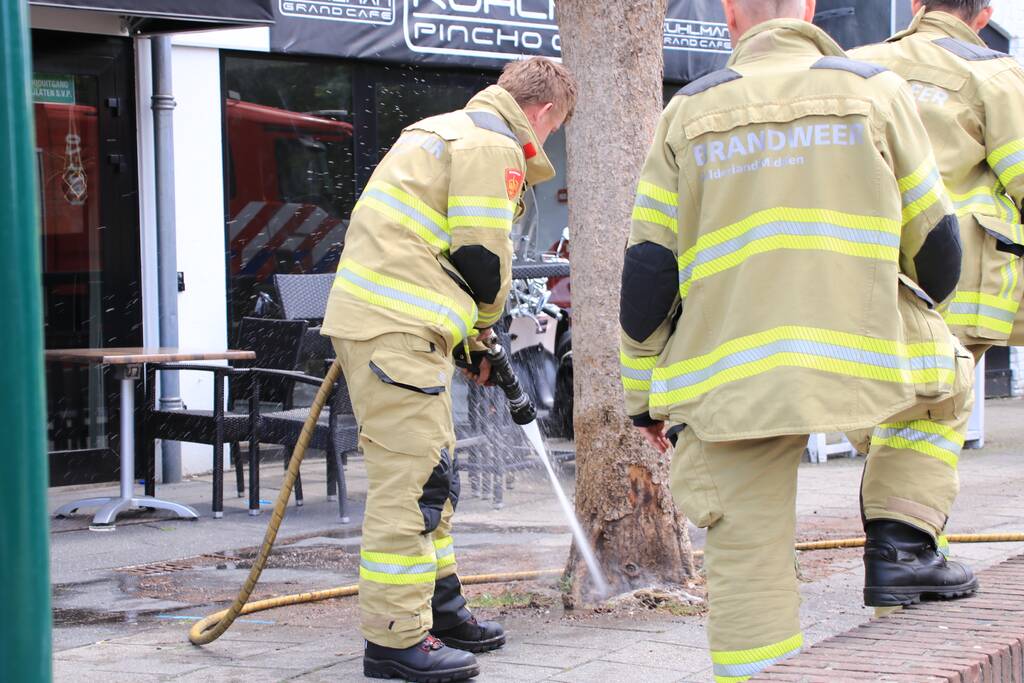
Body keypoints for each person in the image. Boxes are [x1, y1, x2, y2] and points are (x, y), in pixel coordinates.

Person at [619, 0, 976, 679]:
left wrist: (643, 399)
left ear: (730, 13)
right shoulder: (875, 91)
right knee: (945, 387)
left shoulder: (686, 112)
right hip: (864, 355)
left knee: (747, 563)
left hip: (731, 375)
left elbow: (648, 276)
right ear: (808, 8)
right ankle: (900, 542)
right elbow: (938, 249)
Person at [321, 57, 576, 682]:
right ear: (543, 112)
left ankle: (440, 612)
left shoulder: (443, 130)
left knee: (433, 477)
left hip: (394, 327)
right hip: (397, 331)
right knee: (410, 488)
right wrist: (485, 329)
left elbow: (431, 249)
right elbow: (483, 258)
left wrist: (465, 342)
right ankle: (395, 641)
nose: (547, 141)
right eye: (555, 128)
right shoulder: (493, 144)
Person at [852, 0, 1024, 364]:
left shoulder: (855, 65)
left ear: (916, 5)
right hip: (957, 288)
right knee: (941, 392)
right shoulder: (995, 76)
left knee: (878, 390)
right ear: (984, 17)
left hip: (863, 276)